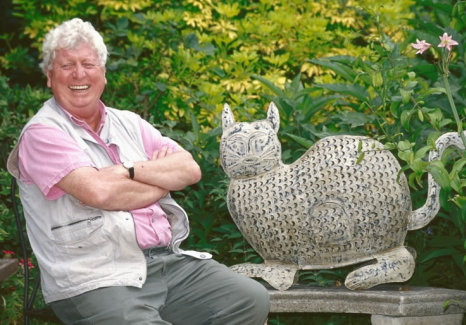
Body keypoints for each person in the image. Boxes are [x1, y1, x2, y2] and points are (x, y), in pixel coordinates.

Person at [7, 17, 270, 325]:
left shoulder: (128, 122)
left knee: (249, 300)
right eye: (67, 66)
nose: (79, 74)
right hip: (94, 278)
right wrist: (159, 178)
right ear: (50, 77)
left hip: (165, 263)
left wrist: (128, 170)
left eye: (89, 64)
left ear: (103, 74)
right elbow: (100, 192)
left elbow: (189, 169)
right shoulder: (42, 133)